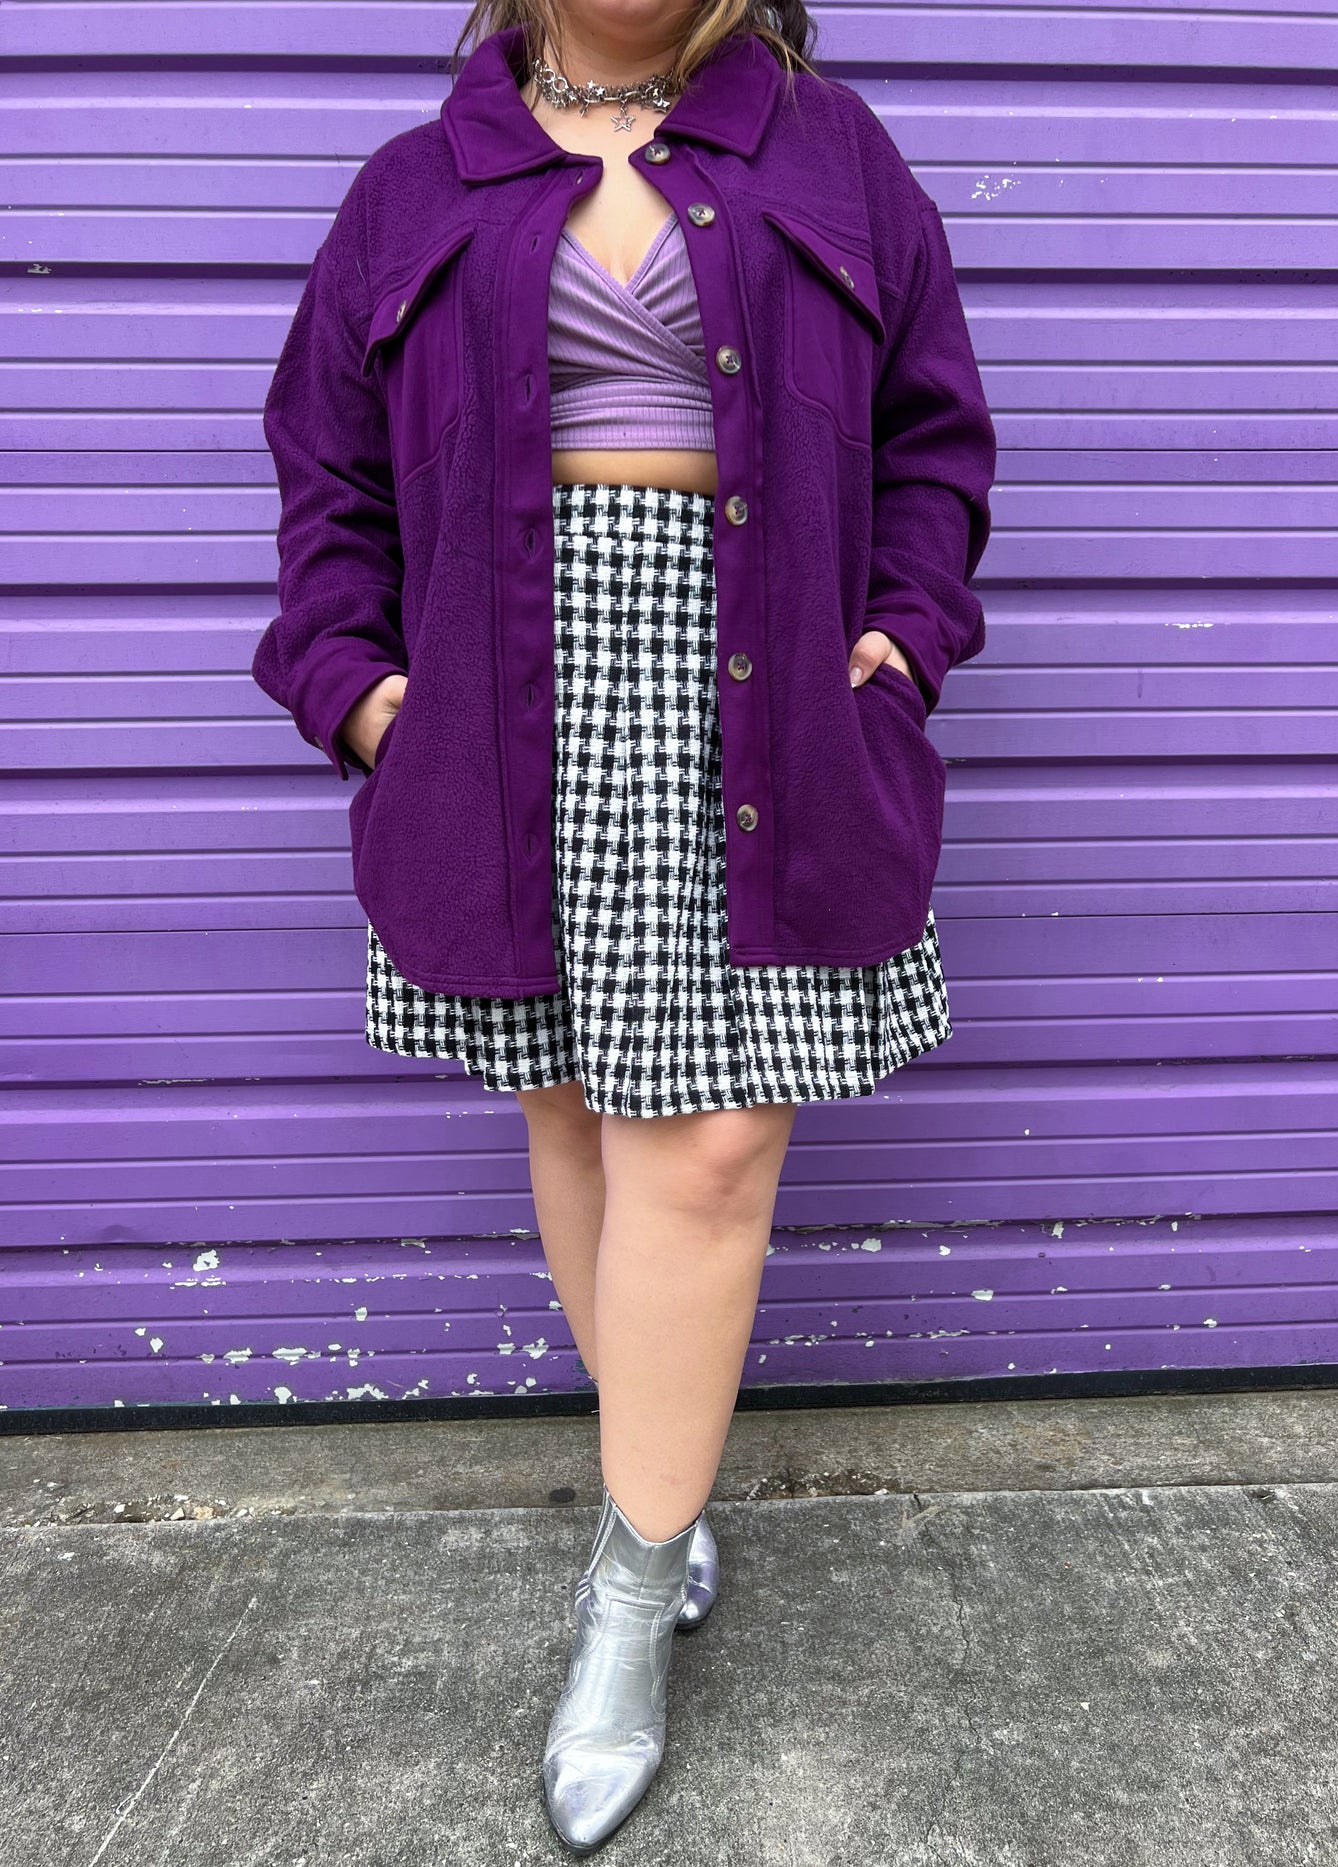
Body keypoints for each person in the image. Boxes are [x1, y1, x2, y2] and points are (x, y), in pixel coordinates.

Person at [252, 0, 995, 1850]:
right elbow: (325, 476)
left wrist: (903, 642)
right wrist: (363, 697)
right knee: (577, 1107)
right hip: (502, 701)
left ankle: (629, 1589)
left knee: (713, 1144)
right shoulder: (416, 186)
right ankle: (652, 1485)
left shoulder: (831, 155)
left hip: (764, 697)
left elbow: (936, 436)